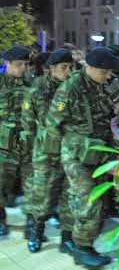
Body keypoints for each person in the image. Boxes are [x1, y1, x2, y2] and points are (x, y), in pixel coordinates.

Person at [46, 47, 119, 269]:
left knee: (77, 199)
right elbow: (52, 125)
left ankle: (67, 239)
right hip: (75, 155)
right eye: (105, 72)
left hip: (97, 153)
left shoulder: (99, 87)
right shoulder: (70, 88)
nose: (108, 76)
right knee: (90, 199)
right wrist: (68, 150)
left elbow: (103, 121)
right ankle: (83, 247)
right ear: (91, 67)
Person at [24, 49, 76, 253]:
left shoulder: (74, 89)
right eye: (64, 67)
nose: (69, 71)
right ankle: (36, 230)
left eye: (71, 67)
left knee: (69, 195)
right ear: (52, 68)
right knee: (43, 196)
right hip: (46, 152)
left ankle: (67, 237)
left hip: (71, 150)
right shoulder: (37, 90)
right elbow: (28, 122)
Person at [0, 46, 33, 237]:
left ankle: (32, 224)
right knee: (2, 185)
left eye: (26, 64)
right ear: (7, 64)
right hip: (4, 146)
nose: (23, 68)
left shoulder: (33, 84)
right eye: (19, 64)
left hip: (28, 145)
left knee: (33, 187)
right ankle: (1, 220)